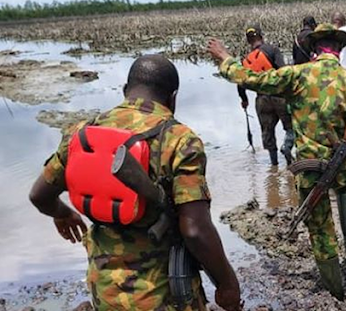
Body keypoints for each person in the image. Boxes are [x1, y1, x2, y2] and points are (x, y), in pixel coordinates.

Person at [28, 55, 241, 311]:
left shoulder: (82, 133)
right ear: (173, 98)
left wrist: (62, 213)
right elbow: (195, 230)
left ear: (125, 91)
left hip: (104, 291)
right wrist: (227, 284)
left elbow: (40, 195)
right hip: (163, 295)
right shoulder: (178, 140)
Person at [207, 24, 346, 300]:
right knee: (345, 192)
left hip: (310, 170)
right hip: (342, 166)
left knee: (321, 233)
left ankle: (336, 293)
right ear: (339, 50)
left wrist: (226, 59)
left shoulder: (298, 75)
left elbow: (254, 80)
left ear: (313, 49)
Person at [239, 23, 294, 166]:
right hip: (279, 96)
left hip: (261, 100)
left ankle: (274, 163)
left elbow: (241, 83)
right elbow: (283, 71)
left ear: (248, 40)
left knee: (267, 132)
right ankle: (287, 148)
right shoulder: (272, 50)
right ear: (261, 36)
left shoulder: (246, 59)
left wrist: (244, 100)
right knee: (290, 127)